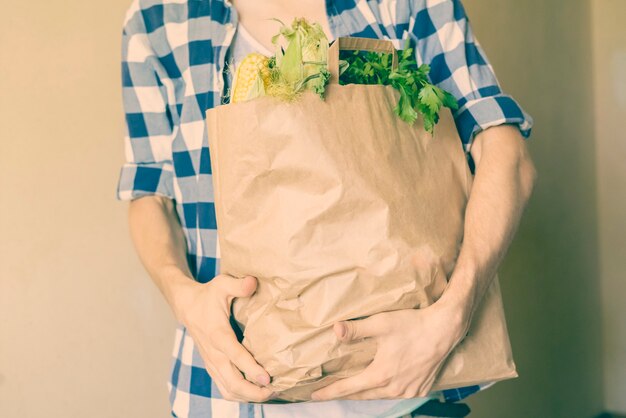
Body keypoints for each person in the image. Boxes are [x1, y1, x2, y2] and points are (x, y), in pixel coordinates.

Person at [115, 0, 537, 417]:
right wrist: (185, 298)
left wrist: (453, 315)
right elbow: (149, 194)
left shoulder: (405, 5)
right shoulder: (155, 21)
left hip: (408, 397)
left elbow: (506, 152)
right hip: (222, 400)